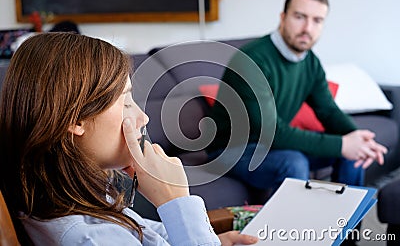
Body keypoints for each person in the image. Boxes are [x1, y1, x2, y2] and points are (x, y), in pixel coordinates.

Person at [0, 33, 258, 245]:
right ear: (75, 120)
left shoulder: (76, 196)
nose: (143, 118)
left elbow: (142, 231)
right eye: (125, 103)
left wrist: (207, 239)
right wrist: (175, 200)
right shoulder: (89, 239)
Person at [207, 0, 387, 197]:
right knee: (293, 162)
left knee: (352, 154)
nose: (307, 28)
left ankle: (345, 229)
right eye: (300, 17)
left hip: (272, 146)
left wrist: (357, 139)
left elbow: (328, 111)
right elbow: (271, 132)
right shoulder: (252, 60)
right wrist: (341, 144)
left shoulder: (310, 63)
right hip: (231, 150)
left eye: (317, 20)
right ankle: (295, 230)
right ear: (283, 18)